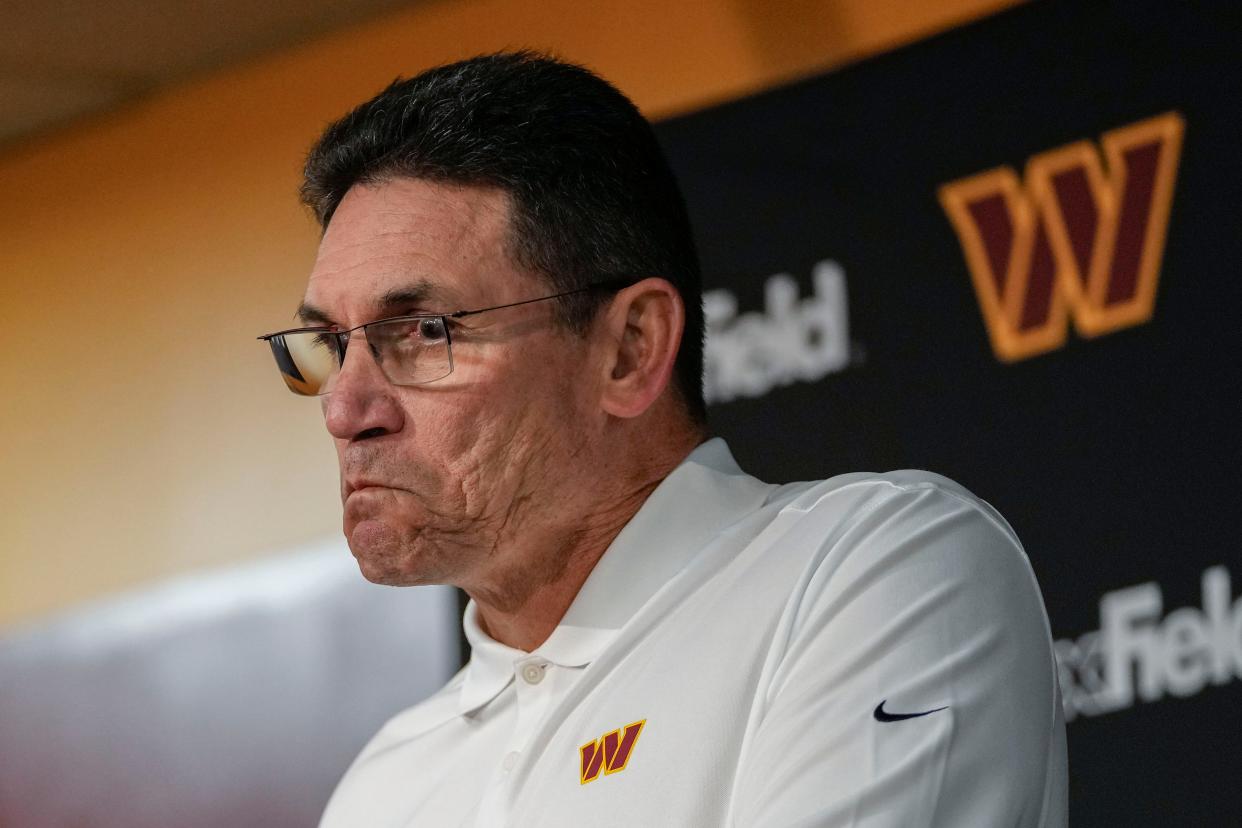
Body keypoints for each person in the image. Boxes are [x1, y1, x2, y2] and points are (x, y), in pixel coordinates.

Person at [259, 52, 1067, 827]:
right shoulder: (382, 787)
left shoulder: (868, 570)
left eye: (423, 331)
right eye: (331, 344)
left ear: (630, 348)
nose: (345, 408)